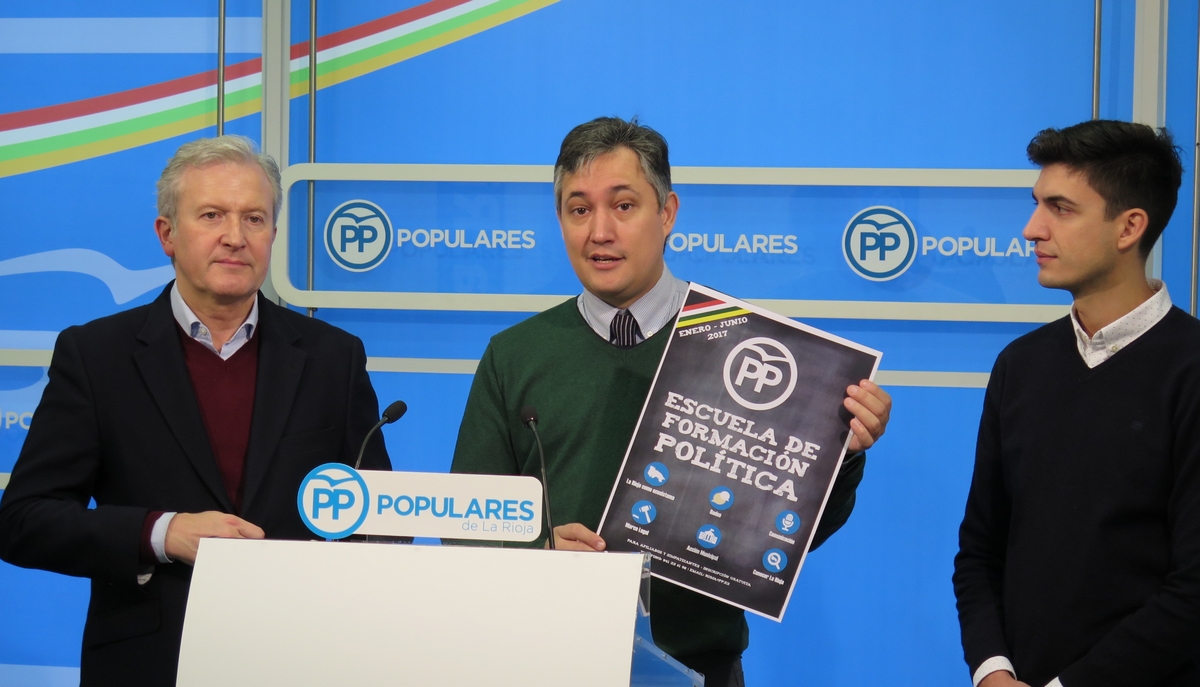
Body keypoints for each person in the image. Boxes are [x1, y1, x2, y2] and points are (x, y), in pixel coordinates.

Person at [450, 116, 892, 686]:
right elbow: (466, 528)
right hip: (547, 662)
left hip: (699, 669)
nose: (600, 231)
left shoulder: (745, 347)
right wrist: (537, 551)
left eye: (623, 206)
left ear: (667, 213)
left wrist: (842, 452)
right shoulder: (513, 355)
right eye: (578, 209)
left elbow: (787, 537)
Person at [0, 135, 391, 686]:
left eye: (254, 218)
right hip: (151, 662)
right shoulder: (96, 356)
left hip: (298, 655)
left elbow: (379, 521)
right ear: (167, 234)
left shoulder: (334, 357)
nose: (235, 237)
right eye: (212, 215)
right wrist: (161, 533)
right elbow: (24, 520)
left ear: (273, 234)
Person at [953, 120, 1200, 687]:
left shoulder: (1190, 369)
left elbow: (1193, 589)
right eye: (1037, 204)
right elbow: (979, 552)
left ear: (1129, 226)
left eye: (1061, 209)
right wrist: (991, 670)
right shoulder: (1019, 365)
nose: (1031, 230)